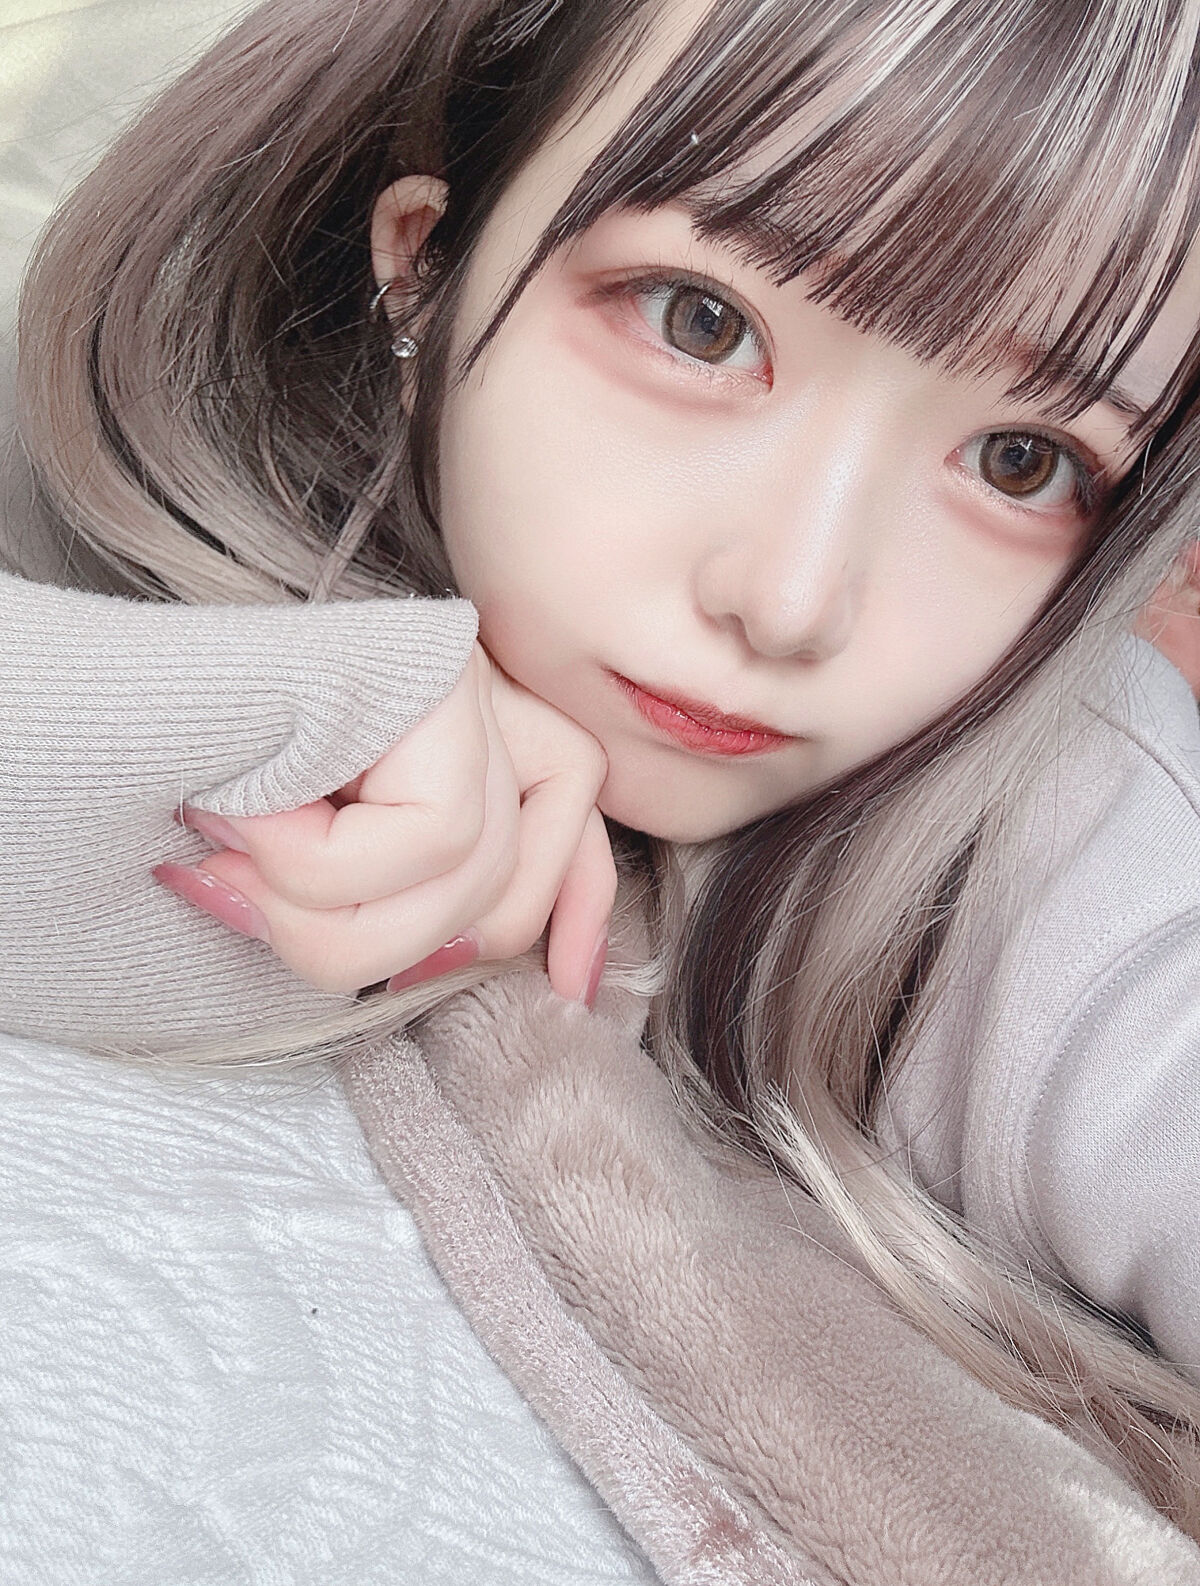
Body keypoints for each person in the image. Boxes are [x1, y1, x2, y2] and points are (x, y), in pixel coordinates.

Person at [4, 0, 1200, 1547]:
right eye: (702, 322)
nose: (791, 599)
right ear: (423, 261)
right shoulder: (86, 479)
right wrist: (301, 721)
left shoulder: (1051, 815)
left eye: (1023, 460)